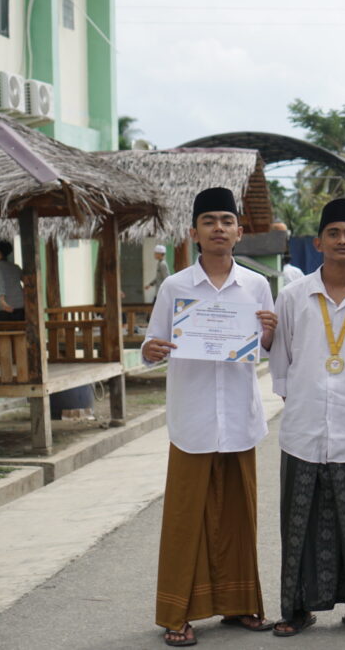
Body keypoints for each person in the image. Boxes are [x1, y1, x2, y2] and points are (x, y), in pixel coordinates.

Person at [141, 187, 277, 647]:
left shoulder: (256, 286)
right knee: (185, 518)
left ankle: (240, 605)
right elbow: (152, 345)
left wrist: (270, 335)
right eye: (209, 221)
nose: (219, 228)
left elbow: (266, 350)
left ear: (239, 231)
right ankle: (176, 613)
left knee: (239, 516)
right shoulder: (175, 287)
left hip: (239, 417)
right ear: (193, 232)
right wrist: (151, 349)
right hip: (193, 418)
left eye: (226, 220)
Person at [269, 199, 345, 637]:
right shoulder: (293, 297)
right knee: (298, 522)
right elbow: (281, 362)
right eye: (333, 233)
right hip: (301, 430)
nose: (342, 240)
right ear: (318, 243)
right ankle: (295, 609)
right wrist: (302, 401)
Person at [0, 240, 24, 321]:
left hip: (7, 308)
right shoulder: (16, 267)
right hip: (21, 307)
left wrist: (3, 302)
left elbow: (1, 284)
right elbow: (27, 281)